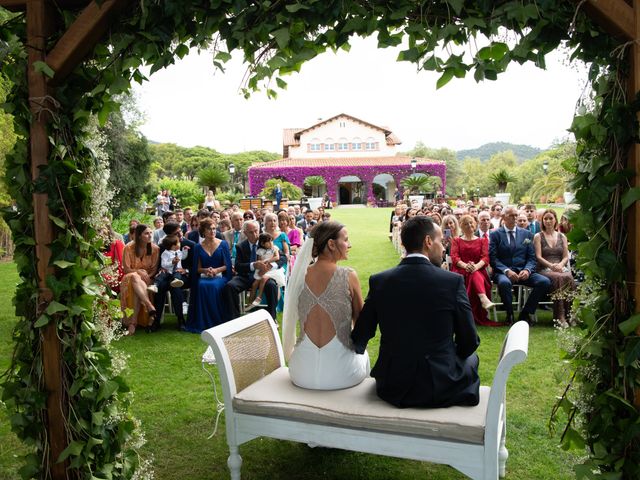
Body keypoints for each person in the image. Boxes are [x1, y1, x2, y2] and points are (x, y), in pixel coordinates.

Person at [351, 216, 480, 408]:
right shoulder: (452, 282)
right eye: (440, 241)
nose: (444, 247)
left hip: (392, 384)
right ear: (428, 241)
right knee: (472, 359)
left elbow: (361, 334)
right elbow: (469, 341)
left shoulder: (380, 281)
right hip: (439, 385)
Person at [283, 221, 370, 390]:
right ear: (331, 244)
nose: (349, 245)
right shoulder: (348, 275)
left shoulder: (300, 275)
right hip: (342, 374)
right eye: (346, 239)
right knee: (364, 355)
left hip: (301, 372)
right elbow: (361, 325)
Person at [489, 206, 551, 325]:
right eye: (511, 215)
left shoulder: (526, 234)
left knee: (544, 282)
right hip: (503, 272)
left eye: (516, 215)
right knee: (504, 283)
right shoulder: (495, 234)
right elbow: (493, 258)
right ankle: (510, 314)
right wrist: (507, 270)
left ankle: (525, 313)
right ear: (503, 217)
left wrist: (527, 270)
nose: (514, 218)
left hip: (523, 270)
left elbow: (531, 257)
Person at [222, 220, 287, 323]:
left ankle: (272, 318)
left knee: (271, 285)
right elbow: (238, 266)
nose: (254, 234)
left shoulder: (266, 241)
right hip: (247, 276)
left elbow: (283, 258)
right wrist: (253, 265)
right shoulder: (241, 246)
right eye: (251, 232)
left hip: (265, 275)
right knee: (230, 286)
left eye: (256, 231)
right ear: (245, 233)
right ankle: (234, 319)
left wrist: (270, 265)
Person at [184, 218, 232, 333]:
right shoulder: (198, 247)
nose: (213, 231)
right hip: (205, 276)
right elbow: (197, 268)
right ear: (203, 231)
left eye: (214, 228)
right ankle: (203, 321)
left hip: (220, 276)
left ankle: (217, 320)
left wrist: (216, 270)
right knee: (201, 285)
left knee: (214, 286)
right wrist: (206, 270)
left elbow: (227, 266)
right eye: (209, 229)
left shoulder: (223, 244)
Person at [451, 215, 497, 326]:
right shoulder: (456, 240)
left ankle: (482, 299)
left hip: (478, 270)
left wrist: (475, 266)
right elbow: (455, 257)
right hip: (460, 271)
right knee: (473, 273)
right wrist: (466, 266)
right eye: (466, 224)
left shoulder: (482, 241)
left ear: (475, 224)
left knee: (474, 273)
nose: (469, 225)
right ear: (461, 226)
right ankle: (483, 298)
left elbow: (485, 258)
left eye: (471, 223)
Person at [534, 209, 575, 327]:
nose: (548, 221)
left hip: (560, 266)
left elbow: (566, 256)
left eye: (550, 218)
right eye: (545, 218)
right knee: (558, 278)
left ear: (555, 220)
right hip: (544, 268)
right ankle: (560, 316)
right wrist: (551, 266)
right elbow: (538, 256)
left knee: (568, 277)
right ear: (542, 221)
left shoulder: (562, 236)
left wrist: (561, 265)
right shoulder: (538, 236)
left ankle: (570, 314)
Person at [151, 222, 195, 330]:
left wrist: (186, 270)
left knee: (175, 286)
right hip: (167, 274)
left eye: (180, 231)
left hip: (183, 276)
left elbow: (194, 264)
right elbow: (159, 263)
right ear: (169, 235)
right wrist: (161, 269)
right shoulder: (162, 246)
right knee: (160, 287)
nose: (180, 234)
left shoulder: (190, 244)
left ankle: (180, 319)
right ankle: (156, 321)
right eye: (177, 233)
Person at [120, 224, 160, 335]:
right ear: (139, 236)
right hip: (129, 278)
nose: (150, 235)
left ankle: (133, 323)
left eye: (151, 233)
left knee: (137, 283)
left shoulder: (155, 249)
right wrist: (139, 272)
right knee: (134, 277)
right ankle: (149, 305)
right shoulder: (128, 248)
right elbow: (127, 269)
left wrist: (146, 276)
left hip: (148, 279)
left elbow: (154, 270)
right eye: (146, 233)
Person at [246, 233, 285, 309]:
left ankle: (259, 297)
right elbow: (259, 260)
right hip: (262, 268)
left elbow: (277, 257)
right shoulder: (260, 250)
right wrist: (262, 264)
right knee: (254, 284)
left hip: (272, 269)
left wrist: (268, 261)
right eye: (268, 242)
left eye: (271, 241)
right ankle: (250, 303)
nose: (271, 243)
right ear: (263, 244)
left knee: (263, 279)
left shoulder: (275, 248)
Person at [101, 223, 125, 294]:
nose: (101, 232)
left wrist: (107, 271)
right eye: (98, 230)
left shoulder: (116, 244)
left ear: (108, 230)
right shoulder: (94, 244)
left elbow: (120, 264)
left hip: (113, 272)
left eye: (103, 229)